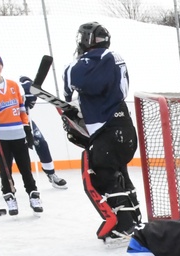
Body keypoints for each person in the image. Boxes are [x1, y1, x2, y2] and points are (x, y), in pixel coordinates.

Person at [62, 22, 142, 243]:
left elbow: (75, 77)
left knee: (101, 177)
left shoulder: (99, 57)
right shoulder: (114, 58)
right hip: (124, 128)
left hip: (110, 132)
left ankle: (123, 225)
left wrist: (68, 87)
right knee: (119, 175)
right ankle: (135, 218)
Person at [0, 48, 41, 216]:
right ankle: (9, 194)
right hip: (0, 136)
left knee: (25, 167)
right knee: (5, 168)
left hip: (18, 133)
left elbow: (21, 109)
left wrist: (27, 130)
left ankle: (33, 194)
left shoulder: (12, 85)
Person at [19, 75, 69, 190]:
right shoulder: (16, 87)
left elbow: (31, 98)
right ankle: (6, 181)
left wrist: (30, 99)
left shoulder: (30, 89)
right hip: (9, 123)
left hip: (25, 119)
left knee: (41, 142)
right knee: (10, 151)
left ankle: (51, 174)